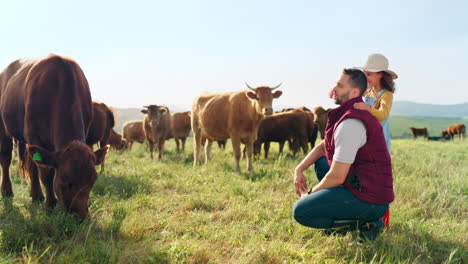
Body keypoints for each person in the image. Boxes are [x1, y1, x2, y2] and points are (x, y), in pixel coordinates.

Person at [292, 69, 394, 241]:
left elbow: (337, 177)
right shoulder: (347, 112)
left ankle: (366, 223)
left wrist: (310, 194)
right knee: (322, 162)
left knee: (301, 210)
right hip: (363, 184)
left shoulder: (351, 124)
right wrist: (299, 168)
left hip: (371, 198)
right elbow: (325, 146)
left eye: (339, 85)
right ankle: (349, 211)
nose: (334, 89)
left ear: (354, 92)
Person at [353, 53, 398, 152]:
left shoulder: (386, 95)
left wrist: (367, 108)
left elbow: (382, 115)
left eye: (369, 74)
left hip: (380, 143)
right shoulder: (367, 91)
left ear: (380, 74)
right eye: (364, 74)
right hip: (365, 139)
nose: (365, 77)